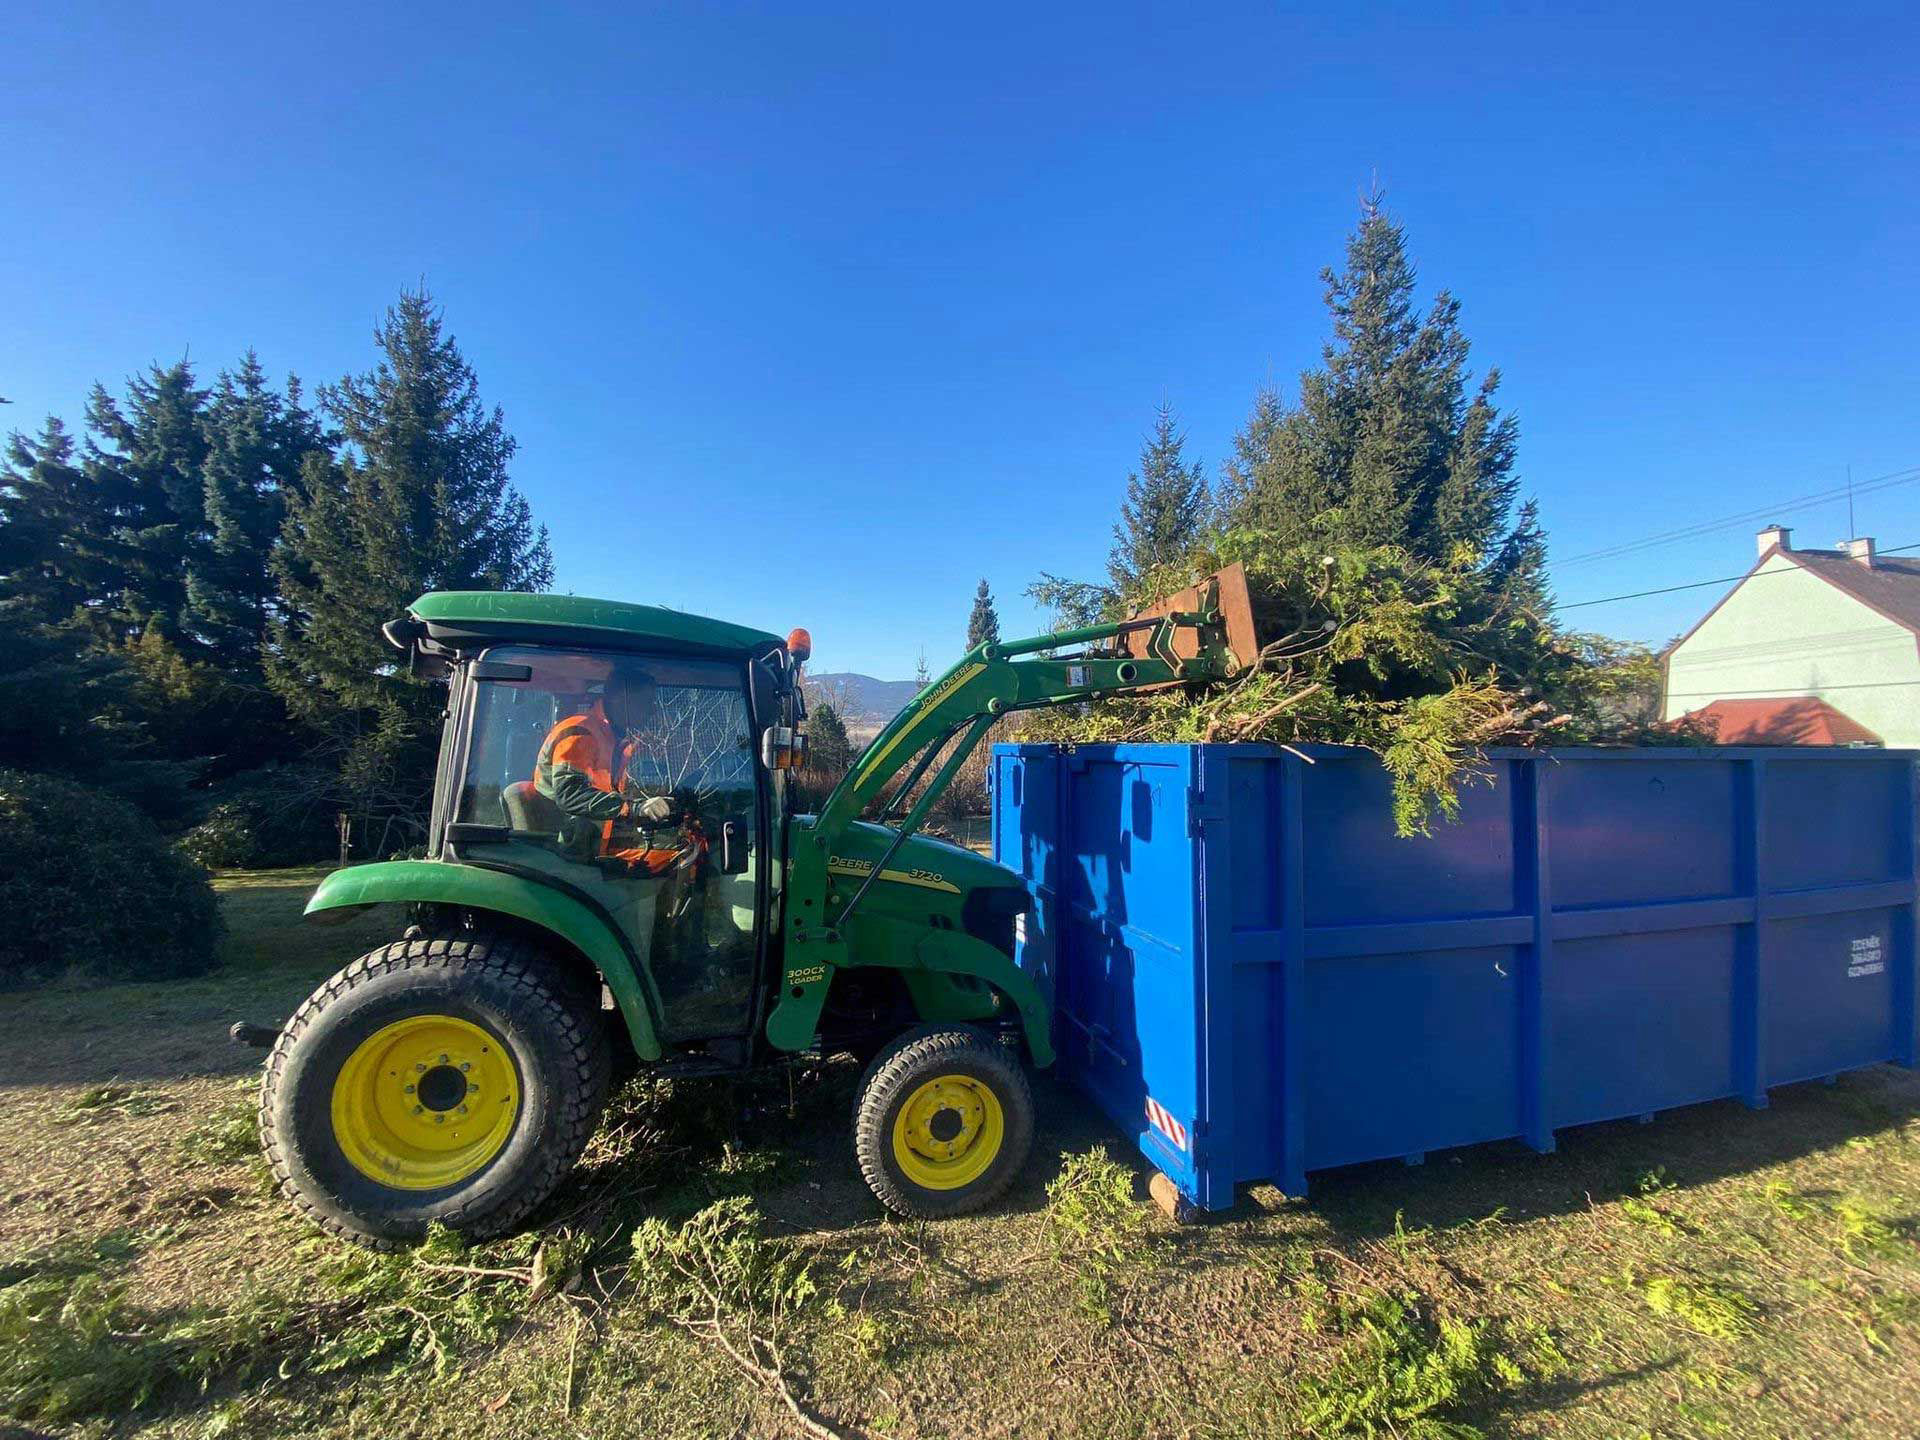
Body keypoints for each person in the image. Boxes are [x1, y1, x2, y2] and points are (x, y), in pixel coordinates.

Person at [532, 667, 681, 865]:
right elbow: (570, 795)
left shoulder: (613, 738)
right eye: (647, 703)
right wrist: (634, 808)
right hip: (568, 852)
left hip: (594, 842)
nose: (652, 710)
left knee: (678, 855)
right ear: (622, 700)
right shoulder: (580, 733)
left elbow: (605, 797)